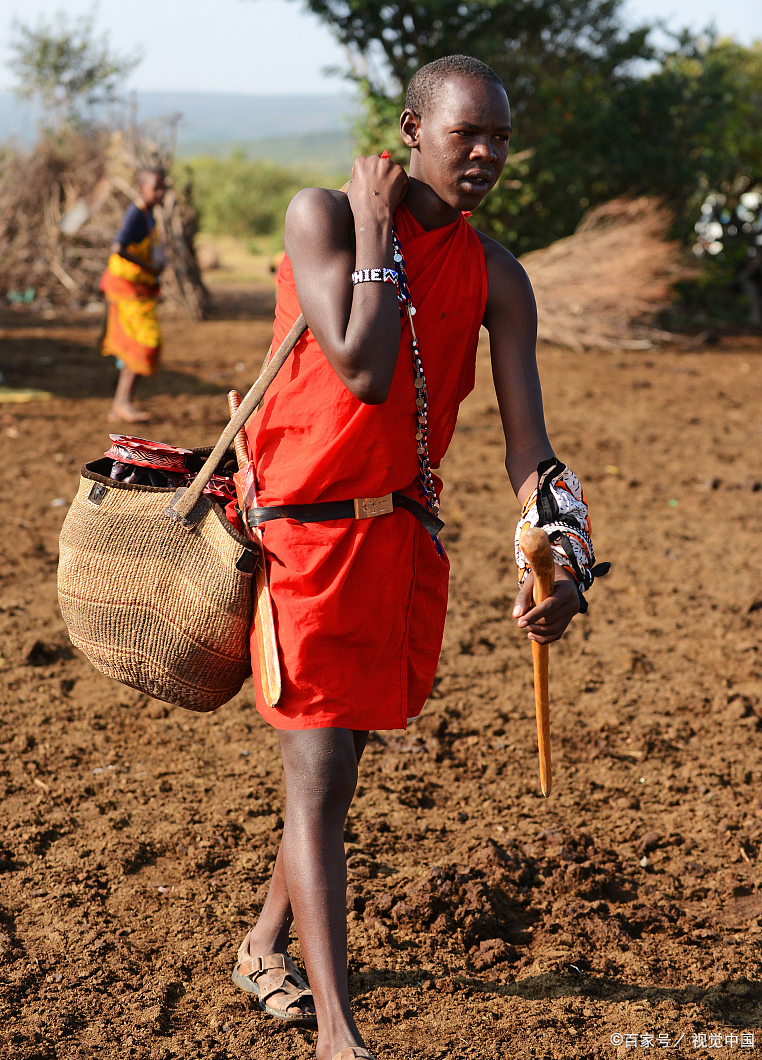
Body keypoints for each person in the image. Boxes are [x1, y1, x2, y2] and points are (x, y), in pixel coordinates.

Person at [229, 55, 603, 1060]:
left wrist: (566, 548)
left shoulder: (499, 275)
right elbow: (359, 365)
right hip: (302, 532)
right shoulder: (323, 219)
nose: (484, 155)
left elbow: (528, 445)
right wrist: (381, 231)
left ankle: (264, 943)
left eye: (499, 140)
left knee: (339, 765)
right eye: (464, 134)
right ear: (409, 128)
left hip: (397, 531)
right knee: (315, 769)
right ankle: (339, 1034)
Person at [100, 167, 167, 423]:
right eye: (156, 188)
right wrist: (150, 267)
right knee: (144, 342)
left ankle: (121, 403)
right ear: (142, 189)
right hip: (126, 290)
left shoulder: (149, 215)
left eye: (163, 188)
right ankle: (122, 402)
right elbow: (118, 247)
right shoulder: (136, 214)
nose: (161, 193)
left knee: (135, 344)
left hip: (137, 291)